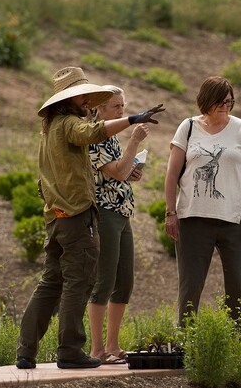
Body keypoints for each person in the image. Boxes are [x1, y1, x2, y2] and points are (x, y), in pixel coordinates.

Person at [16, 67, 164, 369]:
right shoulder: (69, 124)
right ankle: (70, 350)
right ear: (69, 99)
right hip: (75, 216)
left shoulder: (50, 129)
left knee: (50, 283)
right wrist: (134, 119)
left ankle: (25, 351)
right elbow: (93, 132)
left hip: (56, 217)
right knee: (78, 282)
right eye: (83, 96)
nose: (87, 101)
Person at [164, 75, 241, 329]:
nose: (225, 106)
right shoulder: (188, 127)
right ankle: (186, 341)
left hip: (232, 220)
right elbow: (172, 174)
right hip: (193, 219)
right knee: (191, 285)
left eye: (229, 101)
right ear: (207, 100)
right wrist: (170, 212)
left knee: (237, 285)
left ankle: (239, 342)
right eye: (220, 100)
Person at [87, 85, 151, 364]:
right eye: (116, 107)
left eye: (123, 105)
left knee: (124, 281)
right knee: (105, 280)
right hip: (105, 212)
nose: (122, 111)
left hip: (123, 212)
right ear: (99, 109)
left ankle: (112, 345)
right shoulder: (94, 138)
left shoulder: (112, 139)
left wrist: (132, 171)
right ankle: (97, 349)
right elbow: (115, 171)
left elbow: (122, 172)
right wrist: (134, 143)